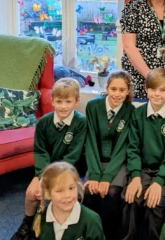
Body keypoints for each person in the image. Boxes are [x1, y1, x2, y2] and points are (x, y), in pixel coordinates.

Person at [11, 78, 87, 240]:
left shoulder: (81, 122)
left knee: (61, 195)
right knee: (32, 192)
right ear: (52, 101)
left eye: (68, 101)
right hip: (45, 170)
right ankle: (27, 222)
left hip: (70, 170)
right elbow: (40, 151)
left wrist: (54, 180)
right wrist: (42, 176)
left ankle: (54, 227)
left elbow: (73, 154)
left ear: (76, 102)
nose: (63, 106)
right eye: (59, 101)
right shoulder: (44, 122)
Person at [122, 68, 165, 240]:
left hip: (164, 173)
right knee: (131, 198)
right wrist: (135, 176)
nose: (157, 94)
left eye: (163, 90)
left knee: (155, 204)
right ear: (146, 89)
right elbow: (133, 148)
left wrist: (159, 181)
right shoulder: (138, 114)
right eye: (153, 89)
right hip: (141, 169)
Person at [83, 70, 136, 240]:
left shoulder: (130, 110)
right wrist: (96, 175)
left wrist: (106, 177)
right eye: (113, 89)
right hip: (95, 162)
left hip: (118, 164)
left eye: (122, 90)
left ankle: (111, 236)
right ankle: (91, 234)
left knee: (112, 192)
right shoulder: (93, 106)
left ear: (128, 91)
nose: (117, 94)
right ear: (107, 87)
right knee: (90, 192)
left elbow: (123, 147)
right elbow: (90, 141)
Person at [32, 161, 105, 240]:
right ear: (48, 194)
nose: (67, 195)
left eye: (71, 188)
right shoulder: (40, 218)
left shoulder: (91, 220)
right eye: (59, 190)